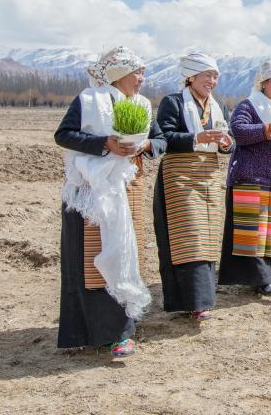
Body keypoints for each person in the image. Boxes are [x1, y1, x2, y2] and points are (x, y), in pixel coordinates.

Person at [55, 46, 166, 357]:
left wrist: (145, 145)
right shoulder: (89, 101)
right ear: (119, 74)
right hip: (92, 192)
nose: (142, 78)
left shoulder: (142, 105)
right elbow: (64, 135)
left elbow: (161, 140)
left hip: (129, 189)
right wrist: (104, 144)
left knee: (125, 254)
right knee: (92, 258)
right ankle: (88, 330)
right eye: (138, 72)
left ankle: (121, 331)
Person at [153, 52, 232, 321]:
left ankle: (204, 298)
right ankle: (191, 300)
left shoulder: (218, 106)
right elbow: (164, 137)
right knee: (189, 236)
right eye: (208, 75)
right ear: (191, 77)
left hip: (209, 175)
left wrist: (226, 144)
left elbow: (227, 139)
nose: (212, 81)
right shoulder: (173, 102)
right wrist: (198, 137)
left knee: (208, 235)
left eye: (215, 76)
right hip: (180, 176)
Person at [219, 60, 271, 296]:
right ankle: (258, 279)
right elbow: (239, 131)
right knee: (253, 232)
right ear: (264, 83)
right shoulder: (248, 105)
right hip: (251, 177)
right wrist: (267, 129)